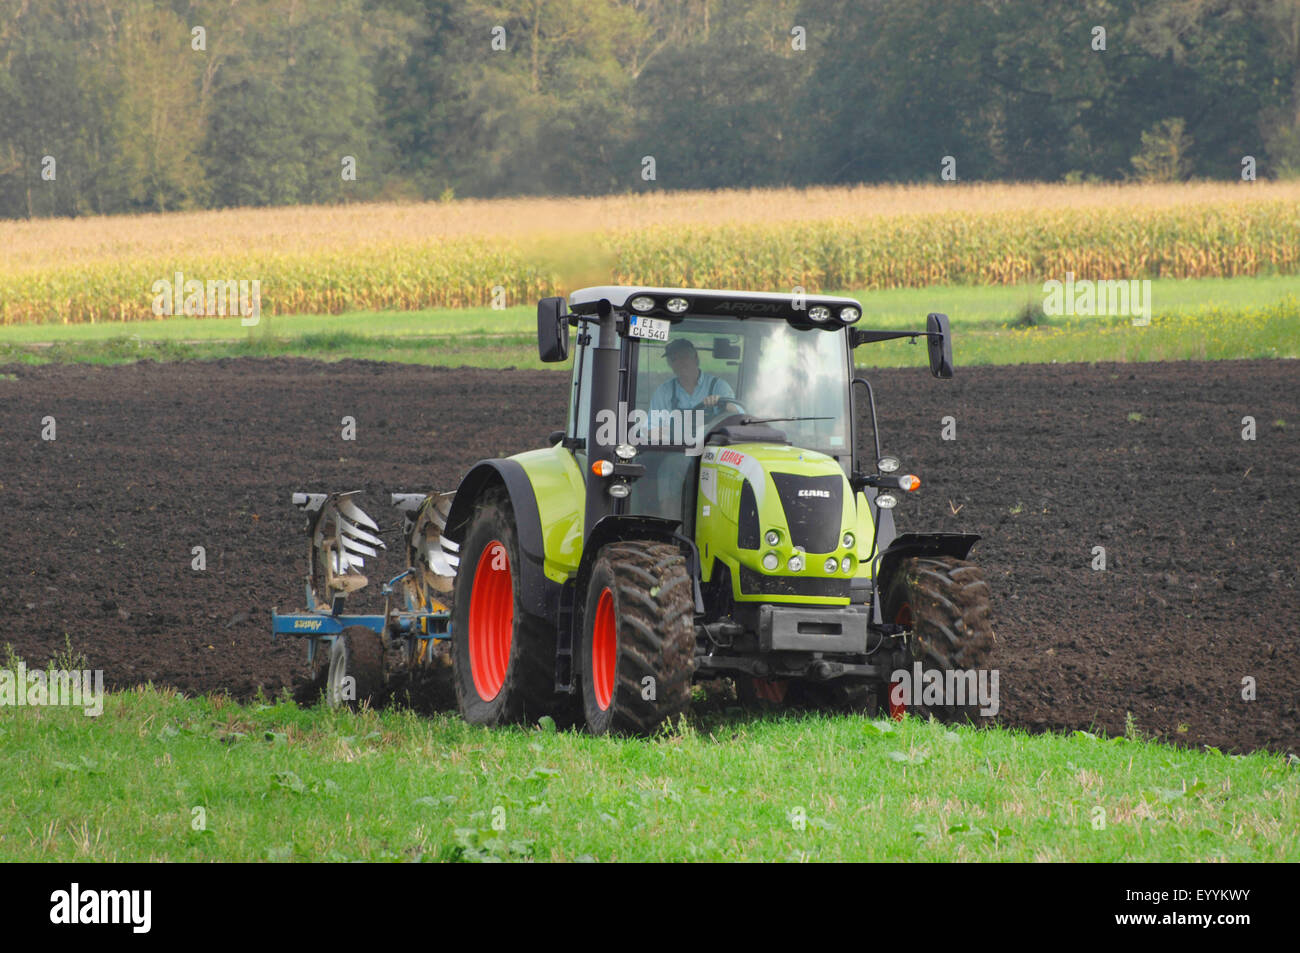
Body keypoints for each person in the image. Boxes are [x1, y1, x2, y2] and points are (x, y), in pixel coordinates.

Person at [649, 338, 740, 419]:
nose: (679, 362)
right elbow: (650, 427)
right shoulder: (664, 392)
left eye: (683, 357)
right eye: (674, 359)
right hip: (673, 438)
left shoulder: (718, 386)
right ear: (670, 364)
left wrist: (723, 403)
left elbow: (739, 418)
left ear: (695, 357)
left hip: (710, 438)